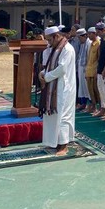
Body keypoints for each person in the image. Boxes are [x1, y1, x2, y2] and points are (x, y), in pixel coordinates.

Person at [38, 26, 77, 156]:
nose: (48, 42)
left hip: (64, 88)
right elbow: (49, 67)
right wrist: (42, 74)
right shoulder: (53, 50)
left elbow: (62, 69)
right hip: (53, 87)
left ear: (56, 36)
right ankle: (54, 143)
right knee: (53, 116)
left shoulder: (67, 49)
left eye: (50, 40)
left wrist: (46, 78)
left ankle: (63, 146)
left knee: (63, 116)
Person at [94, 23, 105, 119]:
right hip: (100, 68)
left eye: (98, 31)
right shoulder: (102, 40)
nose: (97, 33)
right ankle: (103, 108)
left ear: (103, 30)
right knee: (100, 89)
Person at [84, 27, 101, 114]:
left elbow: (98, 59)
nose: (89, 35)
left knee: (96, 90)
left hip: (94, 70)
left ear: (95, 34)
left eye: (90, 33)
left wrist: (96, 71)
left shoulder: (98, 43)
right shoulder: (91, 43)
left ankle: (99, 108)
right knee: (90, 90)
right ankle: (93, 106)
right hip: (89, 70)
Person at [75, 28, 90, 111]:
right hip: (80, 67)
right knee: (82, 87)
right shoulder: (82, 44)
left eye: (80, 37)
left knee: (87, 88)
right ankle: (83, 104)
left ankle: (89, 105)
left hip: (86, 68)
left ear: (85, 36)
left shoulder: (89, 43)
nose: (79, 39)